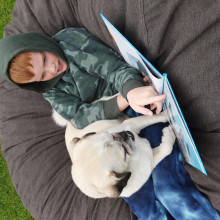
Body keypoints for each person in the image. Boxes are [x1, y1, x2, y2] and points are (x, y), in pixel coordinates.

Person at [0, 27, 166, 129]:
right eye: (43, 75)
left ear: (39, 43)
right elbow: (78, 117)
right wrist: (123, 101)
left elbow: (113, 68)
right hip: (114, 109)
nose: (51, 69)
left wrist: (132, 90)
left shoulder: (70, 42)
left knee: (155, 133)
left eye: (44, 59)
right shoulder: (50, 90)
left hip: (128, 86)